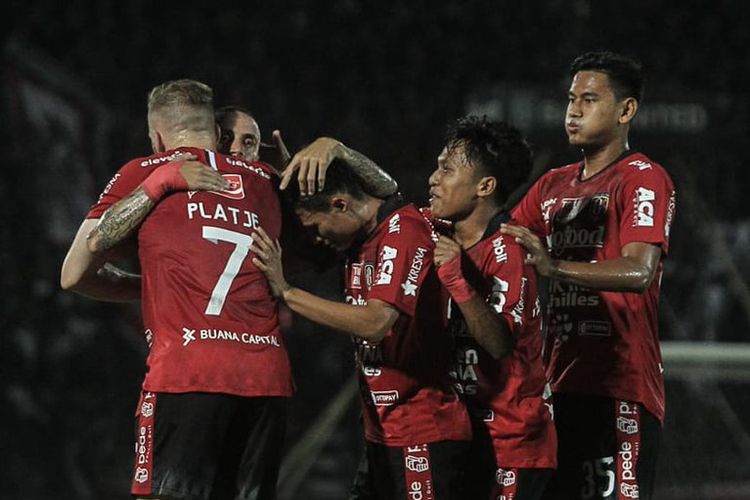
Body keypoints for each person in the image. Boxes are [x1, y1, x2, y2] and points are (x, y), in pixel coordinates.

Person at [64, 78, 291, 500]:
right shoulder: (265, 180)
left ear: (158, 137)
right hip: (266, 379)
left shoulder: (147, 170)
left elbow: (75, 270)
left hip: (186, 374)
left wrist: (158, 184)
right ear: (217, 133)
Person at [502, 51, 677, 500]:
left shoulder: (642, 178)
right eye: (571, 99)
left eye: (590, 99)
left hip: (620, 386)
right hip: (558, 385)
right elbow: (501, 244)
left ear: (626, 110)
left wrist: (553, 266)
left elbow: (639, 270)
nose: (574, 110)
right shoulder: (552, 184)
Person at [250, 147, 472, 500]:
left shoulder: (404, 231)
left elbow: (376, 322)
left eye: (316, 227)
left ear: (341, 205)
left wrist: (287, 292)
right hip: (381, 431)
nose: (317, 238)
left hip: (423, 430)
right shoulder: (358, 240)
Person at [427, 115, 557, 499]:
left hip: (513, 442)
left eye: (447, 169)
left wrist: (455, 279)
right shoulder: (441, 236)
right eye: (437, 166)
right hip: (464, 433)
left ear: (485, 186)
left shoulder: (508, 249)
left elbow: (499, 344)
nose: (433, 178)